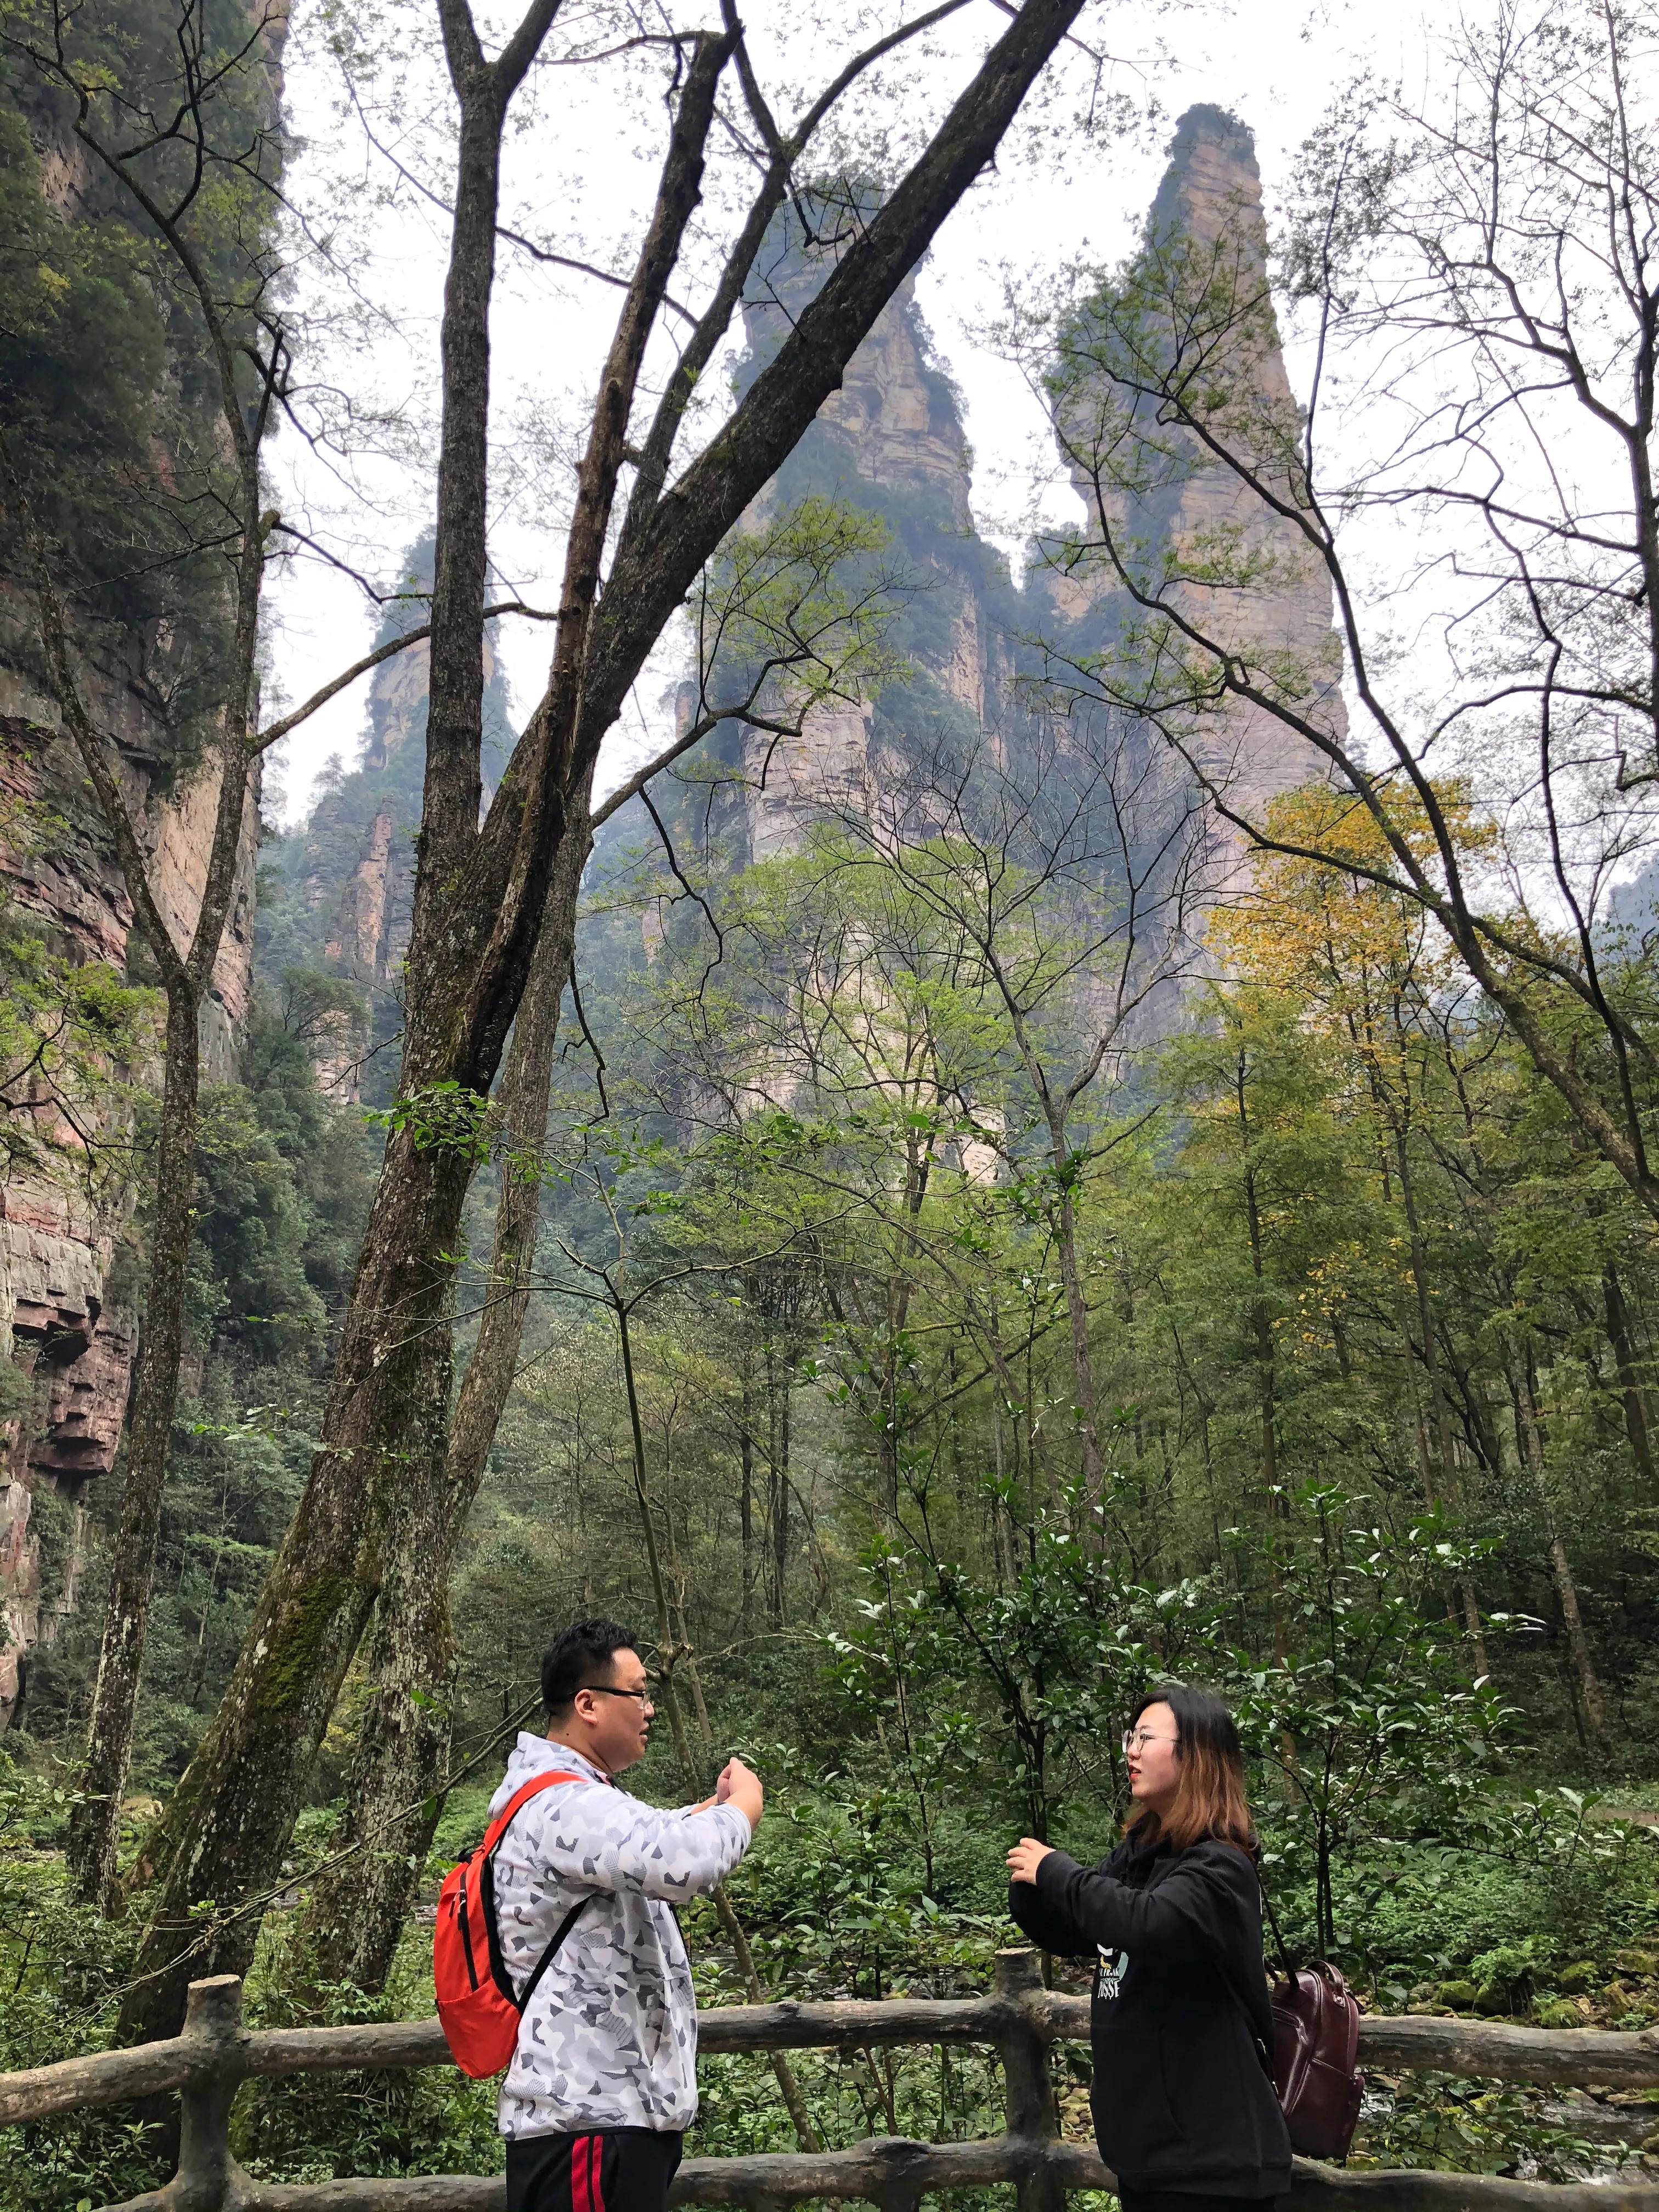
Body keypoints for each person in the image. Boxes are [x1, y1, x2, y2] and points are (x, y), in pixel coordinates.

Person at [488, 1618, 763, 2212]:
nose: (651, 1709)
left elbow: (654, 1835)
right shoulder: (562, 1802)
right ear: (588, 1703)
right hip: (587, 2124)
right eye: (638, 1692)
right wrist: (744, 1807)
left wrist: (708, 1809)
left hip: (606, 2119)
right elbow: (682, 1861)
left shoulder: (576, 1796)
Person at [1006, 1684, 1290, 2212]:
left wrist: (1059, 1871)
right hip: (1149, 2152)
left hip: (1213, 2160)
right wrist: (1033, 1893)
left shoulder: (1221, 1865)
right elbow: (1084, 1928)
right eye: (1129, 1737)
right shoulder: (1140, 1851)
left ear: (1197, 1754)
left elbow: (1148, 1924)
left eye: (1145, 1737)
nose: (1131, 1751)